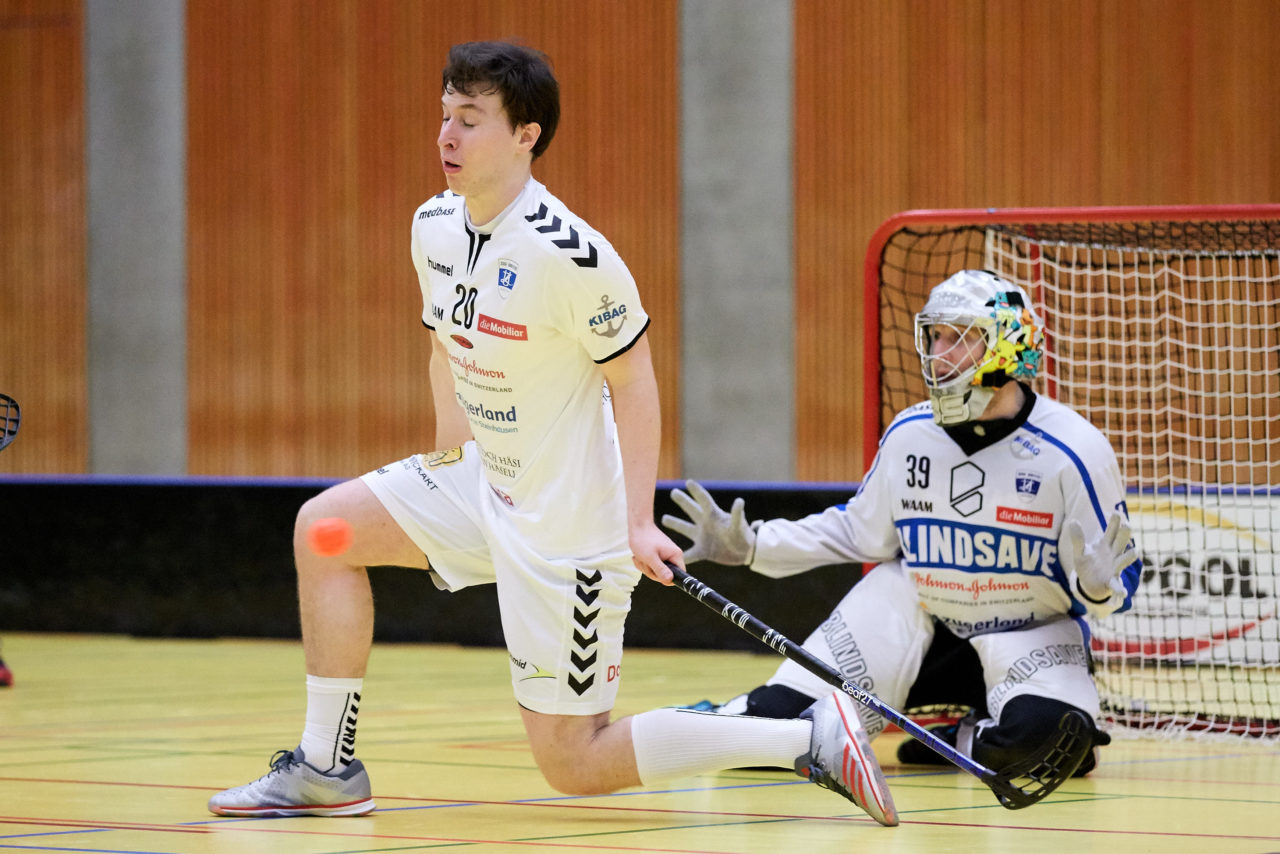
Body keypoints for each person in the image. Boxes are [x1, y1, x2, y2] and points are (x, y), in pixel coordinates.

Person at [207, 40, 897, 827]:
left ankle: (800, 736)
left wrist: (637, 521)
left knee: (572, 761)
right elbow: (445, 345)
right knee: (325, 530)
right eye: (444, 117)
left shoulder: (572, 255)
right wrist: (445, 455)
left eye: (470, 121)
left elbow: (634, 382)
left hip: (571, 527)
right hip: (484, 479)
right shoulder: (432, 225)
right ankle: (327, 768)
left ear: (526, 134)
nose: (446, 138)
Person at [663, 269, 1141, 779]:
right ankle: (689, 727)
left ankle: (951, 740)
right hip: (915, 623)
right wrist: (754, 546)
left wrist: (1096, 585)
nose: (940, 351)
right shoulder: (910, 432)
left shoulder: (1076, 448)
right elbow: (858, 532)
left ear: (1009, 346)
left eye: (959, 337)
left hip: (1028, 634)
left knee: (1047, 744)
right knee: (771, 733)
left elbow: (1116, 587)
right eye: (935, 335)